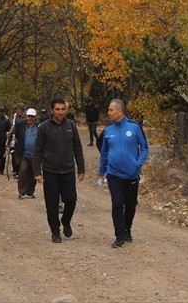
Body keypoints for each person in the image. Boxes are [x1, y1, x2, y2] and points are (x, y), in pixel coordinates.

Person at [98, 99, 149, 248]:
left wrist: (137, 165)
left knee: (130, 204)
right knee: (117, 203)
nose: (108, 113)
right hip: (114, 175)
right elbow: (104, 153)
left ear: (120, 111)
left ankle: (127, 229)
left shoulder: (134, 127)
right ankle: (119, 236)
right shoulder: (108, 130)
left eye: (110, 110)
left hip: (131, 175)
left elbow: (145, 148)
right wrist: (102, 172)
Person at [33, 97, 86, 243]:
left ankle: (66, 220)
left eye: (63, 109)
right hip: (50, 171)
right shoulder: (44, 127)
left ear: (66, 110)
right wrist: (37, 172)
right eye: (57, 109)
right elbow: (37, 151)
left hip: (68, 170)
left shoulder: (71, 125)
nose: (60, 112)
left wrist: (81, 168)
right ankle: (55, 232)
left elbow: (77, 148)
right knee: (52, 203)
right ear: (52, 110)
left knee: (71, 199)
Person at [11, 108, 40, 200]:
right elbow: (17, 136)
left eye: (32, 116)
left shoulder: (40, 126)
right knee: (23, 171)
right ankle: (22, 192)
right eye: (28, 116)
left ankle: (30, 192)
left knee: (33, 174)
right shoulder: (20, 125)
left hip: (35, 155)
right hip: (23, 154)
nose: (30, 118)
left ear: (35, 117)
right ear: (26, 116)